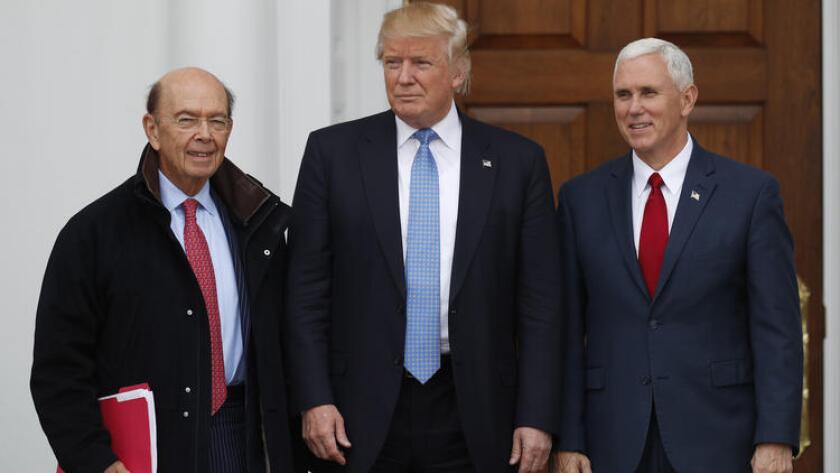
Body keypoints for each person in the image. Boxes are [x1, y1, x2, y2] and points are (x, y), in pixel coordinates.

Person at [285, 3, 562, 473]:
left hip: (476, 410)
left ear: (458, 72)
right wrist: (314, 399)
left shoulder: (518, 163)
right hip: (358, 413)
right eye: (392, 63)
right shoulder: (332, 155)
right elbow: (305, 291)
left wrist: (537, 416)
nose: (404, 77)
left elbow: (540, 304)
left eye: (421, 63)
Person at [31, 67, 299, 473]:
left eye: (218, 120)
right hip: (142, 449)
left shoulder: (257, 224)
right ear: (152, 130)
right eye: (187, 120)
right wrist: (96, 460)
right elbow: (58, 369)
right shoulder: (94, 233)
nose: (205, 134)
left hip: (240, 436)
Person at [552, 38, 802, 473]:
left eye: (649, 93)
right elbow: (568, 329)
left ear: (688, 99)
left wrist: (776, 437)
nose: (634, 108)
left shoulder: (750, 195)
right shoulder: (581, 198)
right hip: (611, 439)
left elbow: (776, 328)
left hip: (718, 437)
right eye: (623, 95)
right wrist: (569, 438)